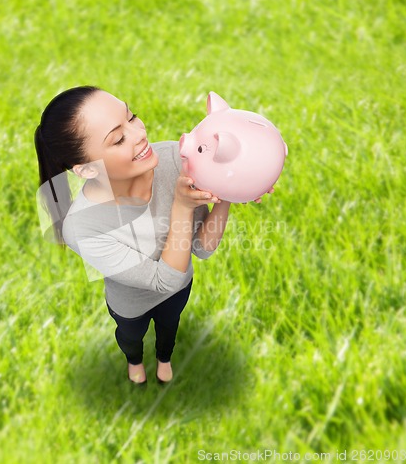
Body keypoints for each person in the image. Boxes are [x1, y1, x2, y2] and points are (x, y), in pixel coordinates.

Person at [34, 85, 267, 386]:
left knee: (169, 327)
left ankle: (164, 358)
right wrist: (182, 206)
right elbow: (162, 280)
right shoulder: (82, 227)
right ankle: (134, 361)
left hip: (180, 288)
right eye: (118, 138)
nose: (139, 134)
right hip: (129, 304)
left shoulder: (175, 157)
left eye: (131, 118)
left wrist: (228, 188)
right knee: (130, 337)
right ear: (87, 170)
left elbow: (203, 248)